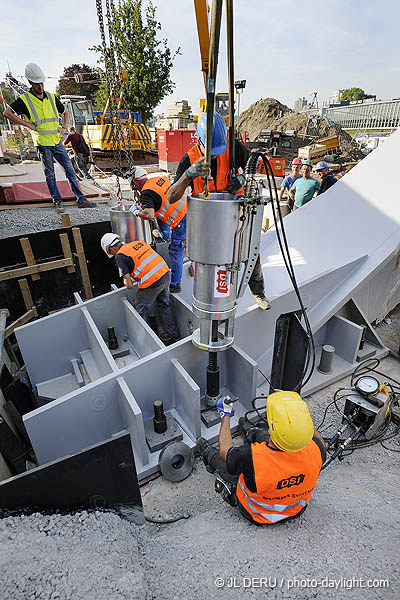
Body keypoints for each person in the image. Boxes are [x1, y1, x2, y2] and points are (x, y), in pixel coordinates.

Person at [168, 111, 271, 310]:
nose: (215, 154)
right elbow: (172, 196)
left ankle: (257, 291)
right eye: (211, 149)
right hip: (206, 219)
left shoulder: (232, 148)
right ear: (198, 138)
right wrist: (187, 176)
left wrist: (242, 178)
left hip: (234, 214)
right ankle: (209, 299)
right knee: (209, 261)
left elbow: (254, 165)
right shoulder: (189, 159)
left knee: (250, 250)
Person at [196, 391, 326, 525]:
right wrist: (296, 415)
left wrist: (225, 415)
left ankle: (207, 452)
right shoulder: (317, 449)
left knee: (224, 463)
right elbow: (316, 437)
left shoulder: (251, 457)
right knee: (267, 437)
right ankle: (249, 431)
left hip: (256, 513)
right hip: (296, 509)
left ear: (272, 429)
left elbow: (225, 451)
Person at [3, 63, 95, 212]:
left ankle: (81, 199)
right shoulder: (25, 100)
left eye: (41, 82)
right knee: (50, 174)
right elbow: (7, 113)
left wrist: (64, 128)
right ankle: (57, 200)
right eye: (37, 83)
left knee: (70, 171)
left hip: (56, 142)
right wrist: (26, 124)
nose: (40, 86)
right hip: (43, 144)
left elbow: (65, 112)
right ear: (30, 82)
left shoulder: (52, 97)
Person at [100, 233, 179, 344]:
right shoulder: (138, 243)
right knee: (164, 304)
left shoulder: (119, 256)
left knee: (138, 310)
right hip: (165, 274)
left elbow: (129, 285)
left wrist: (126, 279)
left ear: (111, 249)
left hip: (153, 282)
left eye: (110, 253)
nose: (112, 255)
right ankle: (173, 335)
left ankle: (145, 342)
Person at [130, 166, 187, 294]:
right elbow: (161, 199)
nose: (136, 189)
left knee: (176, 250)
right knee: (161, 218)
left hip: (181, 220)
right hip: (188, 207)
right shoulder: (158, 178)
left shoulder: (145, 193)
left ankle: (175, 284)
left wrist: (137, 212)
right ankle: (165, 236)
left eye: (135, 186)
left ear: (136, 182)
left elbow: (149, 215)